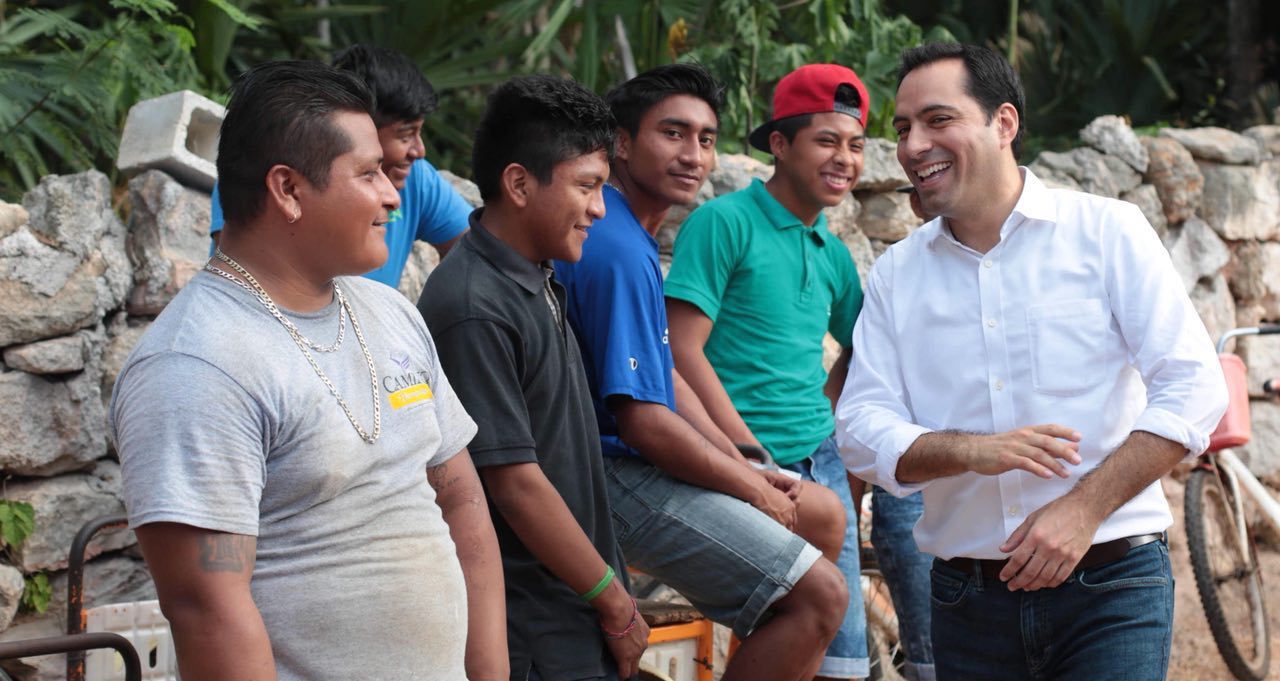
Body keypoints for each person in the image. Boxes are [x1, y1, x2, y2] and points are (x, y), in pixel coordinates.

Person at [837, 43, 1229, 681]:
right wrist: (967, 450)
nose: (911, 146)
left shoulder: (1108, 232)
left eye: (938, 120)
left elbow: (1193, 386)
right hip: (966, 603)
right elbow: (859, 426)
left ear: (1004, 123)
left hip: (1112, 586)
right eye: (903, 128)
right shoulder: (896, 275)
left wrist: (1085, 508)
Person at [109, 60, 506, 681]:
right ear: (288, 190)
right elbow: (207, 608)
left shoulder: (389, 312)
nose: (394, 194)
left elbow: (462, 505)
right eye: (369, 173)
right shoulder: (196, 365)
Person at [555, 63, 850, 681]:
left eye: (706, 139)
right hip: (604, 470)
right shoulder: (615, 245)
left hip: (633, 454)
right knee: (821, 596)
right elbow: (642, 421)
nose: (693, 155)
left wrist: (744, 463)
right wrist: (751, 487)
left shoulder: (630, 234)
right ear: (622, 143)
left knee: (822, 513)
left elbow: (663, 371)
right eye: (673, 133)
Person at [665, 63, 929, 681]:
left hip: (820, 462)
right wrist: (744, 452)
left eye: (857, 145)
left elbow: (869, 347)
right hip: (736, 464)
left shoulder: (832, 254)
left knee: (839, 660)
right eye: (827, 141)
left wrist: (830, 415)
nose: (845, 159)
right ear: (779, 145)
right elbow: (681, 349)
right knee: (788, 632)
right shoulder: (724, 222)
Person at [417, 75, 647, 681]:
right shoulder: (473, 305)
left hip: (576, 611)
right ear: (519, 183)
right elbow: (514, 483)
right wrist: (615, 602)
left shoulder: (537, 274)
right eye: (587, 187)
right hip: (532, 634)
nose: (600, 208)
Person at [209, 44, 472, 287]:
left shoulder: (417, 179)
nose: (419, 150)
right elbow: (242, 280)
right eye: (404, 135)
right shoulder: (253, 169)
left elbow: (474, 248)